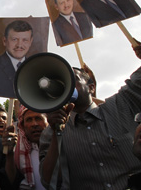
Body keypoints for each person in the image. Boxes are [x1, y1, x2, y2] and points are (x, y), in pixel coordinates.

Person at [39, 47, 141, 189]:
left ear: (91, 88)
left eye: (72, 79)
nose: (65, 85)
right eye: (61, 81)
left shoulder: (120, 105)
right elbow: (49, 181)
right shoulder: (50, 132)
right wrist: (57, 134)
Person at [0, 20, 33, 98]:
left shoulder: (37, 67)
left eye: (25, 40)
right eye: (14, 39)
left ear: (31, 42)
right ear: (4, 41)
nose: (19, 45)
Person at [14, 106, 48, 189]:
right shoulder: (18, 155)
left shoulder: (61, 146)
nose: (34, 124)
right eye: (29, 120)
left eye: (38, 118)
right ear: (23, 125)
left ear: (48, 121)